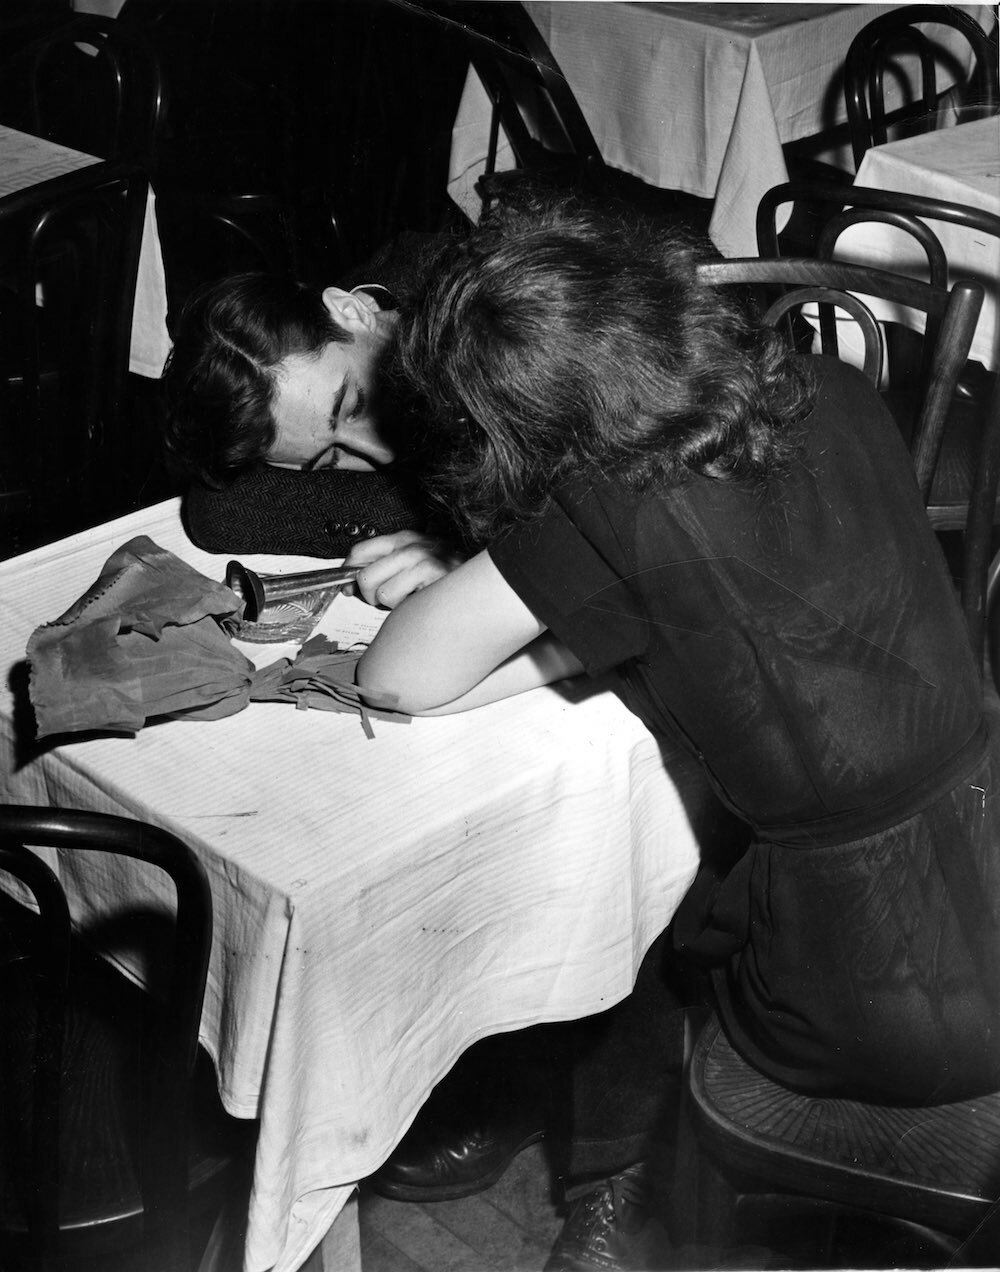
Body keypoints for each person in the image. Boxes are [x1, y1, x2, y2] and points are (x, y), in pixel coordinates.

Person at [355, 194, 1000, 1269]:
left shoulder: (600, 508)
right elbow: (734, 590)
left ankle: (608, 1176)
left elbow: (395, 678)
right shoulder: (827, 387)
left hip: (869, 1002)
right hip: (982, 870)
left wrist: (517, 597)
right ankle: (567, 1136)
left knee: (622, 902)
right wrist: (572, 614)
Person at [162, 234, 461, 608]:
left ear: (353, 310)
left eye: (354, 404)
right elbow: (219, 510)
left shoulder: (488, 323)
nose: (379, 453)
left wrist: (469, 551)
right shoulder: (343, 352)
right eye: (330, 458)